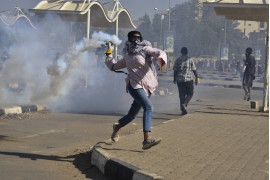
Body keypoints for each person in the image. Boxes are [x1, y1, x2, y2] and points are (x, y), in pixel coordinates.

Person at [104, 31, 167, 150]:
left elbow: (159, 52)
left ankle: (118, 127)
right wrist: (109, 51)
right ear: (129, 39)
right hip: (134, 86)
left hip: (147, 86)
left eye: (138, 38)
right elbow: (113, 66)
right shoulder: (128, 56)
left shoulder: (145, 49)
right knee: (148, 107)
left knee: (132, 115)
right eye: (133, 38)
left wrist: (162, 61)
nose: (135, 40)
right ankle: (146, 139)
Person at [173, 47, 199, 115]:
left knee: (182, 95)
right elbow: (194, 69)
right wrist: (197, 77)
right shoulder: (190, 59)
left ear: (181, 52)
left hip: (179, 80)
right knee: (190, 93)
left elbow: (175, 70)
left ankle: (183, 110)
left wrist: (174, 78)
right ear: (187, 52)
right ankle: (184, 104)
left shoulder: (177, 59)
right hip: (188, 80)